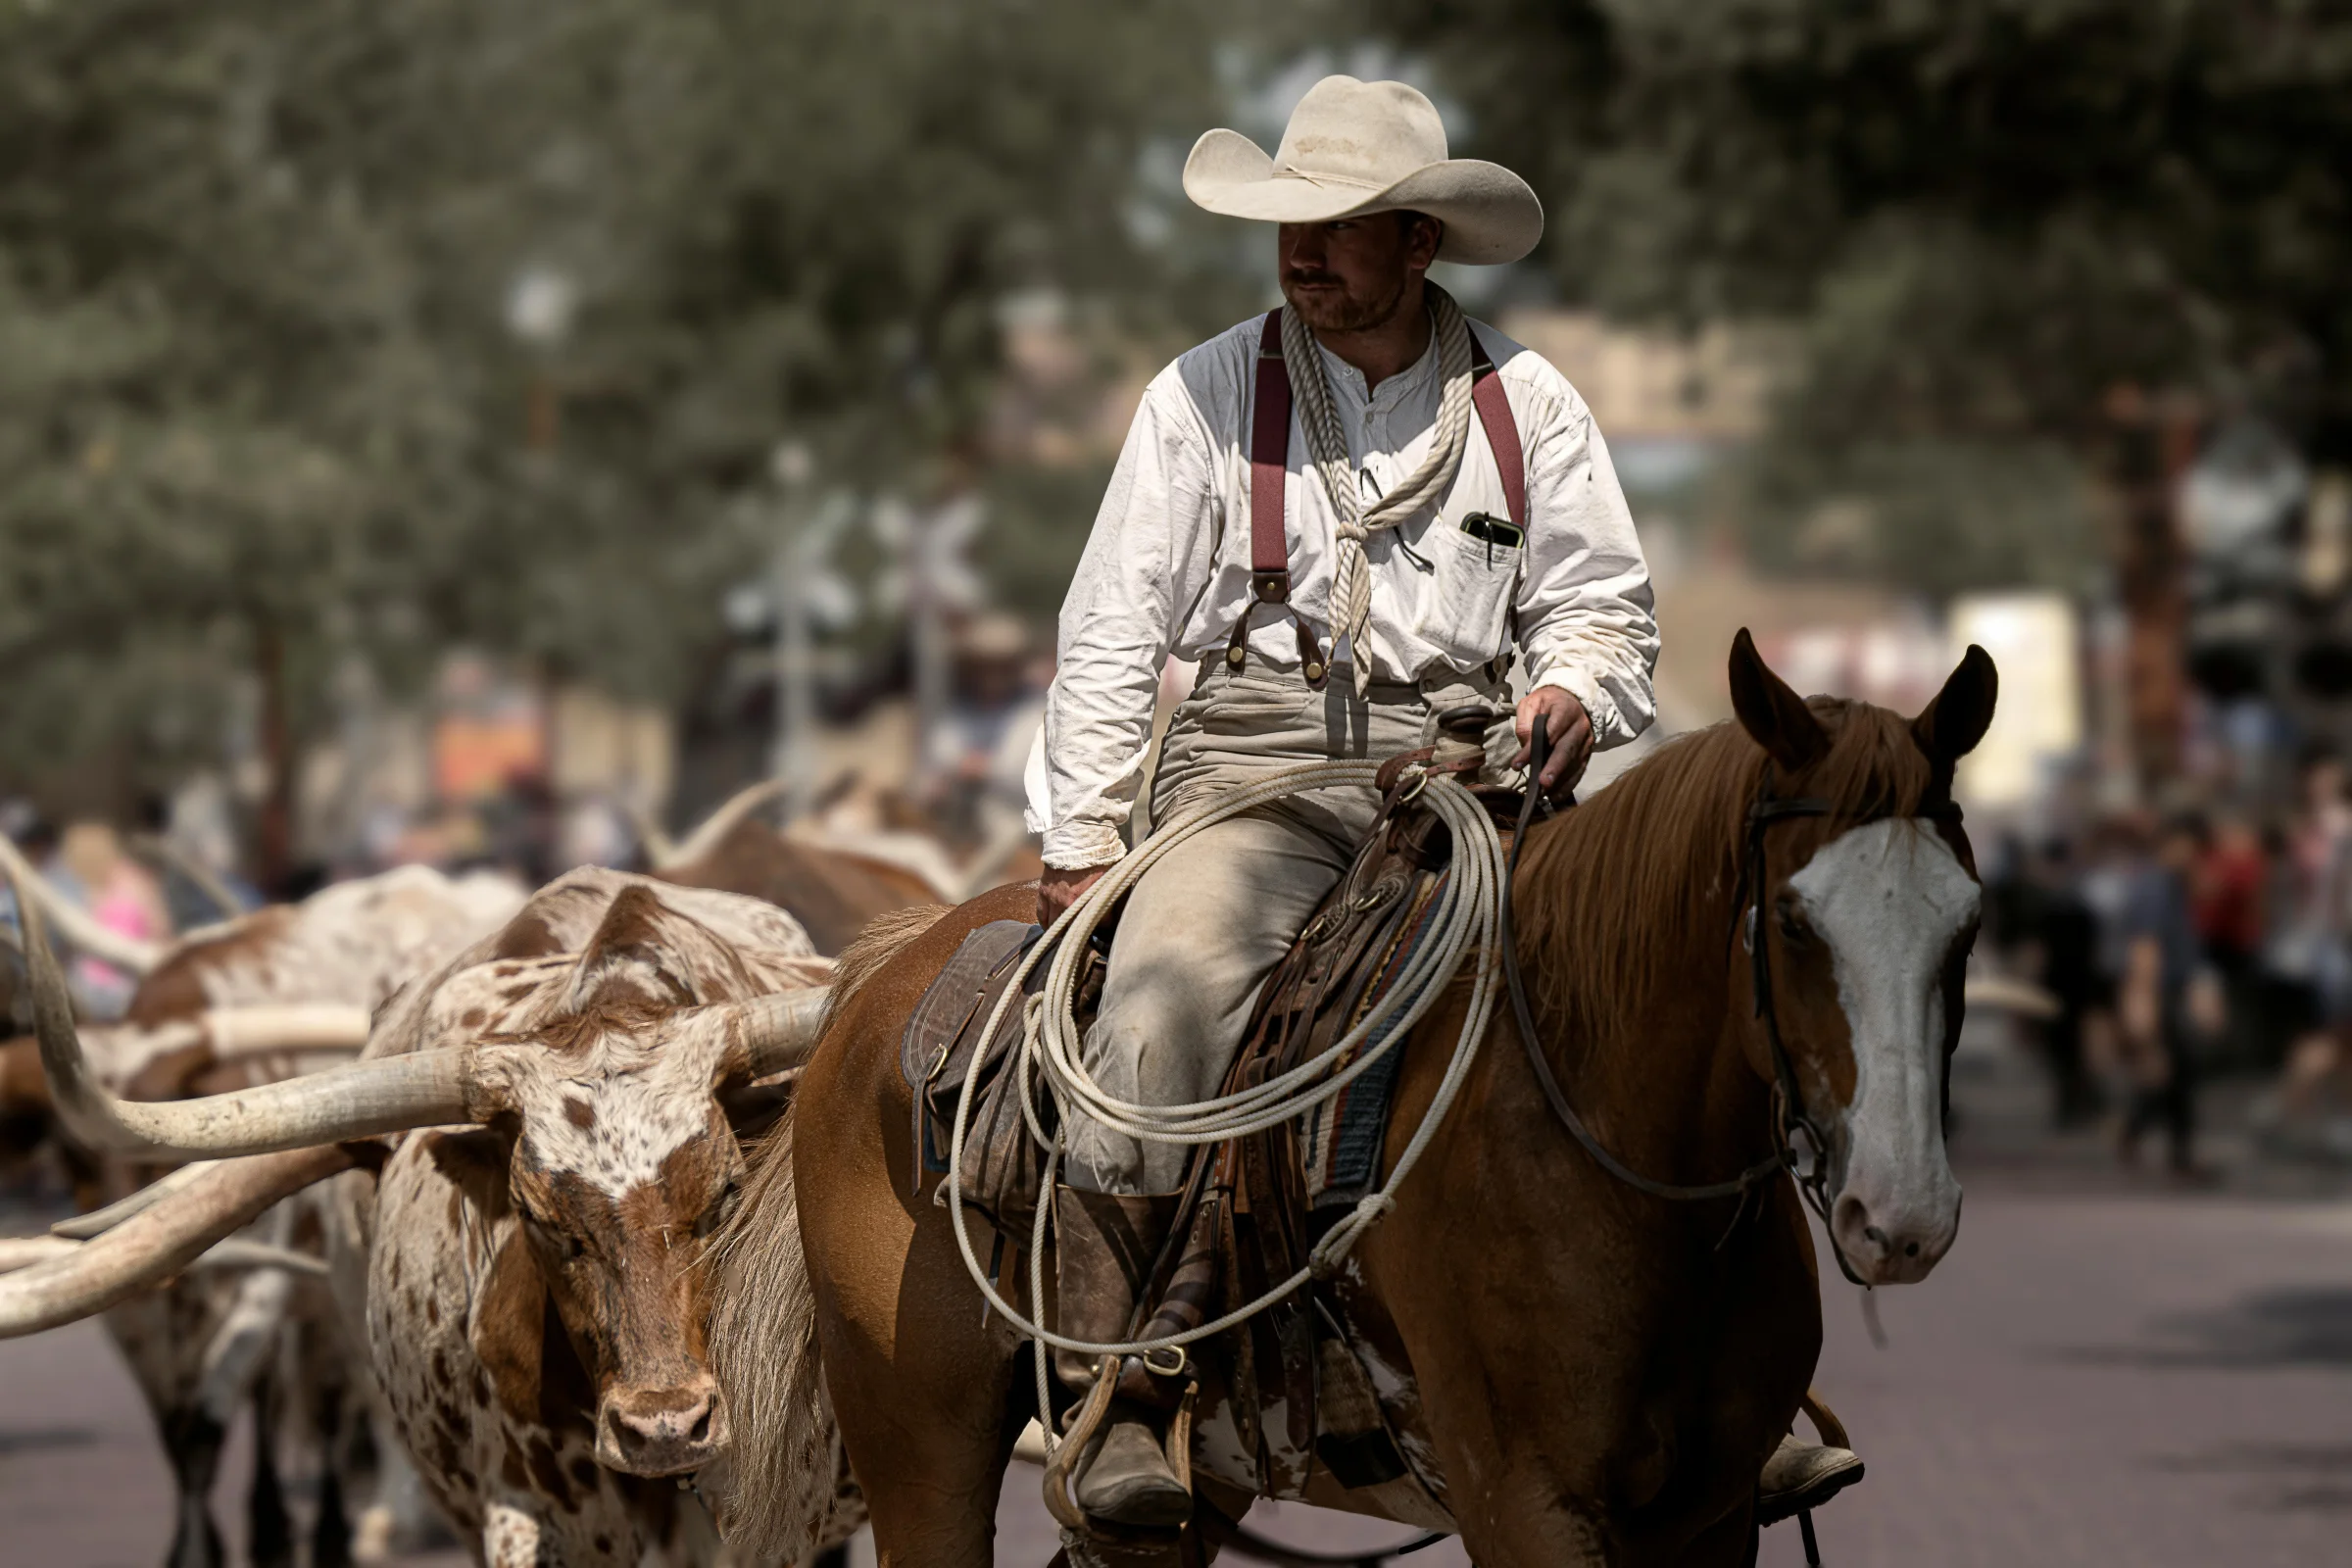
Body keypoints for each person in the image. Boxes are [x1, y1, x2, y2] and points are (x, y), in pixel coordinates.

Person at [1023, 75, 1665, 1527]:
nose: (1301, 254)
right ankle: (1127, 1392)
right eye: (1287, 228)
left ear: (1420, 242)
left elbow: (1606, 615)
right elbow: (1115, 633)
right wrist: (1078, 847)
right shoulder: (1199, 393)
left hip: (1474, 784)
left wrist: (1568, 690)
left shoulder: (1528, 404)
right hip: (1253, 776)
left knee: (1648, 1006)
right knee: (1160, 1005)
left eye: (1336, 228)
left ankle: (1728, 1379)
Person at [2114, 813, 2219, 1178]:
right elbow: (2145, 950)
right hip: (2158, 992)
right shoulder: (2156, 886)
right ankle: (2172, 1150)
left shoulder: (2172, 884)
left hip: (2167, 990)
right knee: (2172, 1072)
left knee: (2172, 1074)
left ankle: (2140, 1135)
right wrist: (2142, 1004)